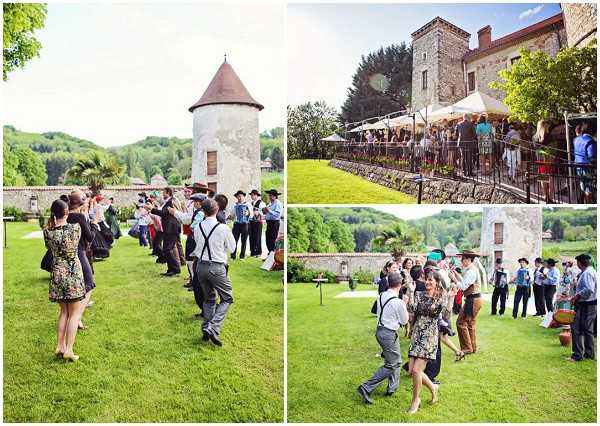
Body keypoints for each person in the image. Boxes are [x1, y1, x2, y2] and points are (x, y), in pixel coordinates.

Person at [44, 199, 87, 362]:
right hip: (72, 273)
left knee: (63, 312)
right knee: (74, 314)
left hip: (57, 273)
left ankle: (60, 346)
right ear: (67, 212)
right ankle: (68, 350)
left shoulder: (47, 231)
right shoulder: (75, 228)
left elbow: (49, 247)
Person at [357, 272, 408, 404]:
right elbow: (404, 320)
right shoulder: (398, 302)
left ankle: (392, 388)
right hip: (388, 333)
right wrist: (405, 304)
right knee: (393, 363)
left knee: (395, 360)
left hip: (380, 331)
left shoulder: (381, 295)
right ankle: (366, 387)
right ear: (400, 284)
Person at [191, 198, 236, 346]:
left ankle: (206, 329)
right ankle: (213, 327)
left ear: (203, 211)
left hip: (201, 267)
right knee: (227, 298)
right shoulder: (223, 228)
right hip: (216, 267)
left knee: (209, 299)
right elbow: (232, 248)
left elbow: (197, 247)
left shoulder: (198, 227)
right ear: (217, 210)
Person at [405, 268, 446, 414]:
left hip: (429, 337)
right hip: (416, 335)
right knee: (411, 371)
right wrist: (410, 292)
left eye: (431, 280)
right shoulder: (419, 294)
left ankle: (416, 400)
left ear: (436, 282)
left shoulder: (440, 296)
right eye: (426, 279)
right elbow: (411, 310)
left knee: (417, 370)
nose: (428, 282)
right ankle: (433, 387)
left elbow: (434, 312)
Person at [67, 190, 98, 330]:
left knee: (74, 287)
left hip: (66, 255)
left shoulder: (65, 215)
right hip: (79, 253)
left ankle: (73, 317)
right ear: (81, 202)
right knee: (89, 283)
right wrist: (94, 223)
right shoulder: (78, 217)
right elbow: (90, 237)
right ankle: (76, 317)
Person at [448, 250, 483, 355]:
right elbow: (465, 282)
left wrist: (453, 278)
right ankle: (472, 347)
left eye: (462, 259)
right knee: (470, 323)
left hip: (472, 300)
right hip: (474, 299)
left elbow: (463, 286)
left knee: (461, 322)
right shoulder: (472, 270)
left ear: (468, 259)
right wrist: (457, 275)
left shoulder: (471, 271)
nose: (461, 261)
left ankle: (467, 348)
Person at [568, 254, 596, 362]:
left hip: (586, 304)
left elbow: (589, 289)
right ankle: (589, 354)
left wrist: (577, 296)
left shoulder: (587, 273)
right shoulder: (592, 271)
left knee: (576, 329)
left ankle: (577, 355)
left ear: (580, 263)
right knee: (588, 330)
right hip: (591, 304)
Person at [150, 187, 181, 277]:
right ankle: (171, 269)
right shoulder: (168, 201)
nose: (162, 194)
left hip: (172, 228)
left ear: (168, 193)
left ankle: (175, 269)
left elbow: (163, 213)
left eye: (163, 192)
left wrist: (151, 209)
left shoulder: (171, 201)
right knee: (167, 249)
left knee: (167, 249)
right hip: (168, 228)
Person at [533, 120, 557, 203]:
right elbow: (554, 149)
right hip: (549, 159)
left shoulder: (535, 137)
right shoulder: (550, 136)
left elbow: (536, 149)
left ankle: (545, 196)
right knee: (550, 178)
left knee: (543, 178)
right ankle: (550, 198)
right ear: (545, 126)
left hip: (540, 159)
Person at [573, 123, 596, 203]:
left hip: (578, 166)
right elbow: (592, 156)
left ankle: (585, 201)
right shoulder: (590, 141)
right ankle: (589, 202)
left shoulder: (576, 139)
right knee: (588, 187)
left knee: (583, 185)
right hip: (588, 167)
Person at [230, 191, 252, 260]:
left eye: (241, 196)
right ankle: (233, 256)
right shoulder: (235, 205)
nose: (239, 198)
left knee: (244, 240)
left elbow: (251, 214)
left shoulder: (248, 205)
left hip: (245, 224)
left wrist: (247, 213)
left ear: (243, 196)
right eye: (238, 196)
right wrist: (230, 217)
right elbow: (233, 214)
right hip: (236, 224)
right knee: (234, 240)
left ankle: (242, 256)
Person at [263, 189, 282, 253]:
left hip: (274, 223)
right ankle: (270, 253)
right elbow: (266, 213)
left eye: (270, 195)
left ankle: (273, 254)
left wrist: (269, 210)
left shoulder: (278, 203)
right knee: (268, 238)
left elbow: (277, 214)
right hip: (269, 223)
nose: (269, 197)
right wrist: (265, 211)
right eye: (269, 195)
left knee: (273, 239)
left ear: (275, 196)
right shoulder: (270, 204)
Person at [249, 189, 265, 257]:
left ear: (256, 195)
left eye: (252, 195)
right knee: (251, 237)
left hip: (258, 222)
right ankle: (252, 252)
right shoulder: (251, 203)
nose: (251, 196)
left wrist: (258, 213)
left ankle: (258, 252)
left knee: (257, 237)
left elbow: (264, 213)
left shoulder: (261, 203)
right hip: (251, 222)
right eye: (251, 195)